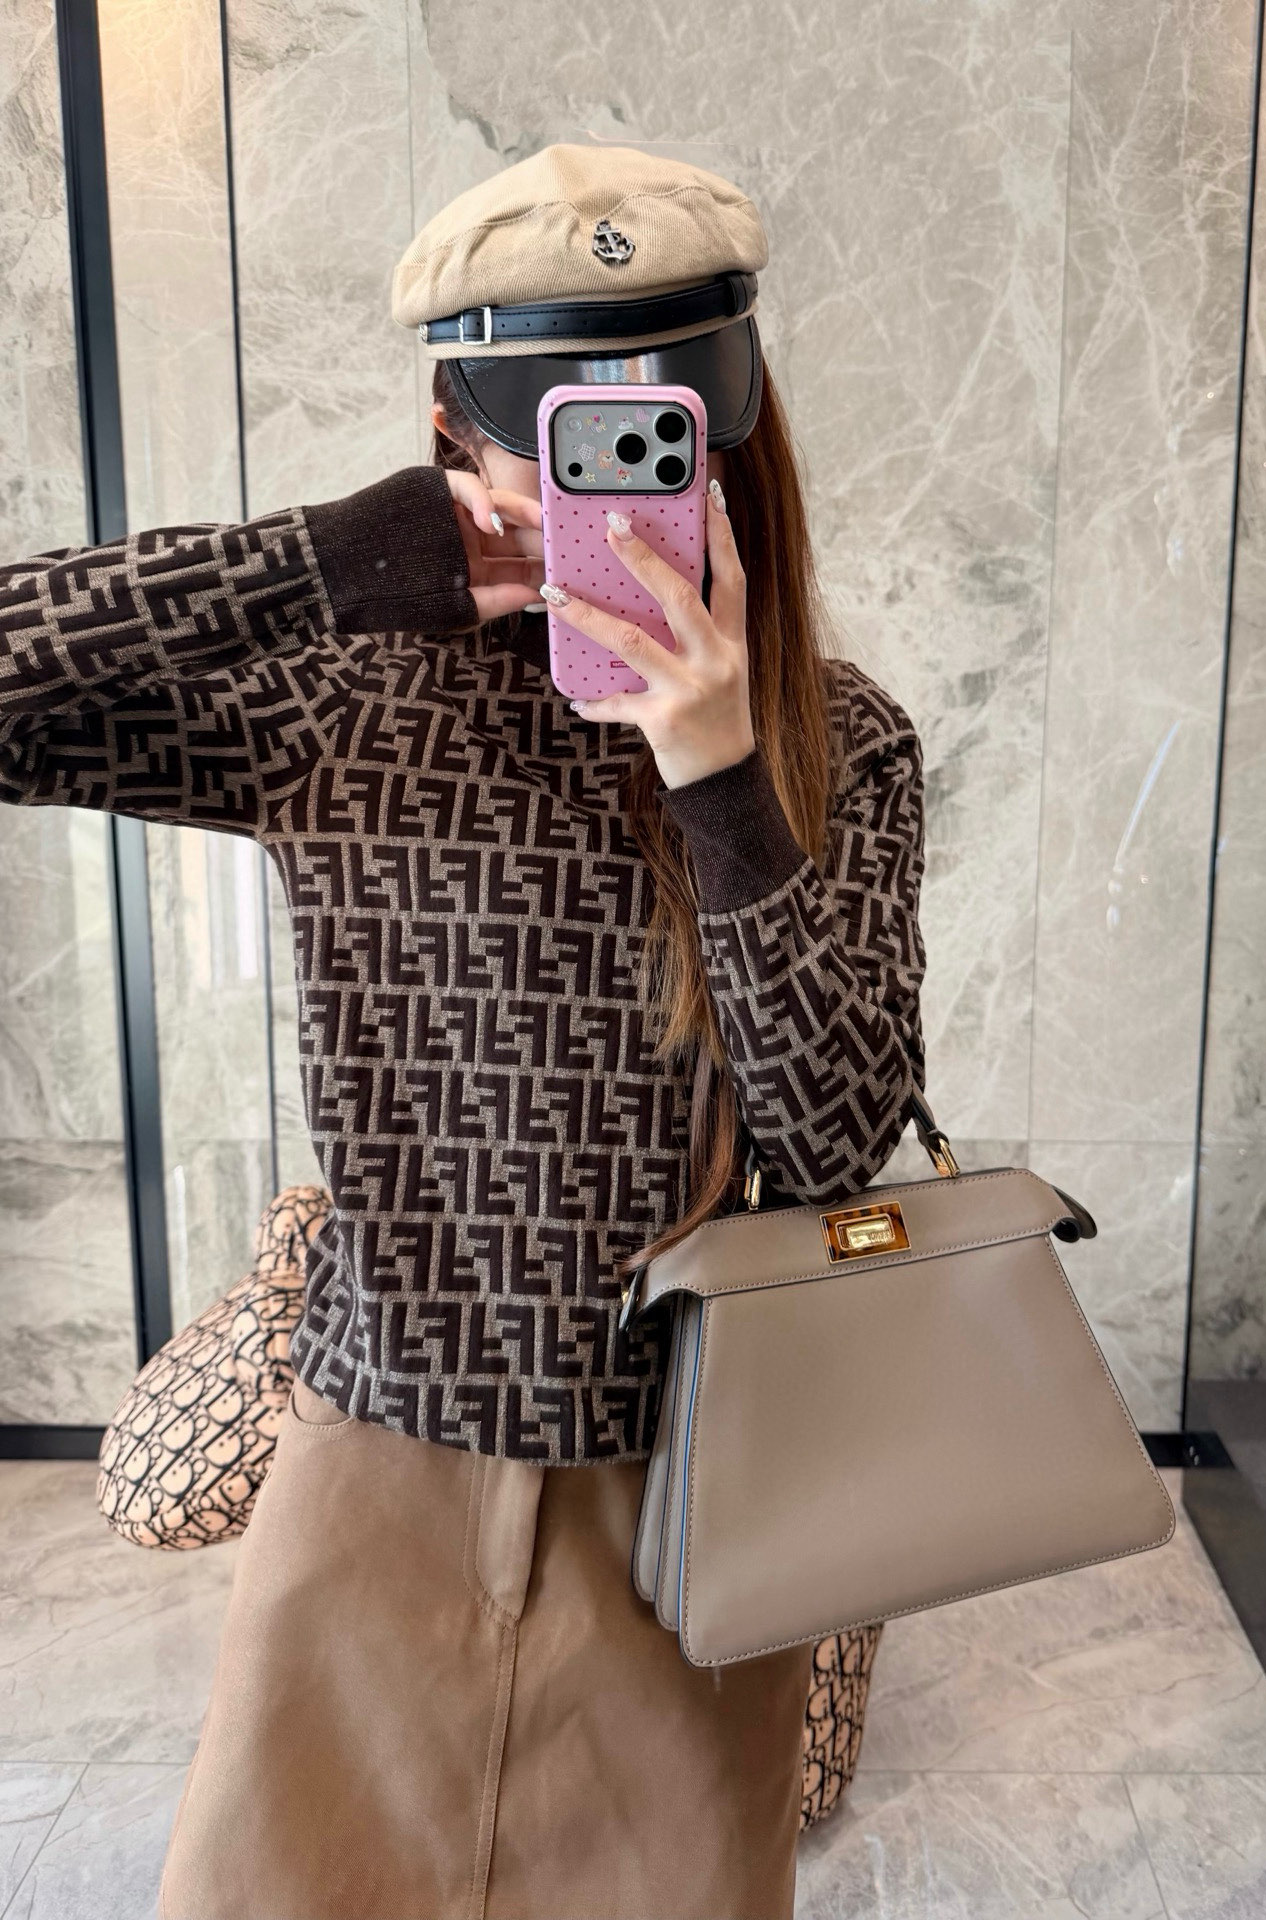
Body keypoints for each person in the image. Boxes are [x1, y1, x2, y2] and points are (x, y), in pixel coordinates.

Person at [0, 144, 927, 1920]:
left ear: (736, 426)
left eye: (664, 436)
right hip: (372, 1482)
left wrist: (722, 777)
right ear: (456, 433)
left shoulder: (841, 741)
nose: (622, 490)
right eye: (558, 439)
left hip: (688, 1496)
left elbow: (832, 1142)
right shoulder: (337, 694)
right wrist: (324, 563)